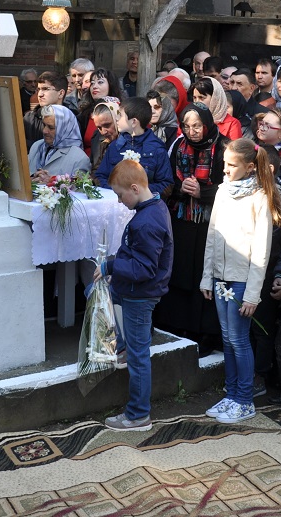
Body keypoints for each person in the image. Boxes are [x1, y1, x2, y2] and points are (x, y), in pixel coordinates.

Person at [201, 138, 281, 424]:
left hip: (241, 282)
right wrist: (207, 276)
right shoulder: (223, 192)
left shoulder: (260, 198)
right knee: (227, 339)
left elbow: (260, 251)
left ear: (250, 167)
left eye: (231, 165)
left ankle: (244, 399)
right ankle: (232, 394)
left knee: (239, 339)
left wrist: (252, 294)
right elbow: (213, 236)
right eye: (224, 164)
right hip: (220, 279)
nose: (224, 170)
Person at [99, 160, 174, 431]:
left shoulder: (146, 221)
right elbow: (136, 256)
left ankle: (138, 415)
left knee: (138, 355)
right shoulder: (152, 208)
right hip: (134, 292)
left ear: (134, 188)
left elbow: (143, 268)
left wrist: (110, 265)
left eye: (120, 195)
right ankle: (123, 344)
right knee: (97, 296)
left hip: (140, 295)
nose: (120, 202)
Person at [157, 104, 224, 345]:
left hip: (210, 222)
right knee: (180, 270)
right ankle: (176, 325)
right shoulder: (178, 145)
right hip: (181, 218)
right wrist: (181, 189)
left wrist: (202, 192)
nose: (191, 131)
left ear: (206, 124)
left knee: (201, 276)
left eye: (196, 125)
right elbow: (167, 180)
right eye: (186, 126)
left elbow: (229, 186)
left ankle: (202, 331)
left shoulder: (223, 147)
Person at [94, 97, 174, 197]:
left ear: (134, 122)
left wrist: (139, 191)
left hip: (145, 207)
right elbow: (100, 176)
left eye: (121, 115)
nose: (117, 119)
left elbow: (166, 185)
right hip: (115, 205)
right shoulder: (115, 146)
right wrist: (116, 191)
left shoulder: (157, 149)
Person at [29, 105, 91, 181]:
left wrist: (51, 180)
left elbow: (80, 189)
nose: (44, 131)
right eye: (44, 125)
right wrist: (32, 177)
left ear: (65, 129)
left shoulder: (79, 158)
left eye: (51, 127)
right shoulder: (36, 146)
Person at [191, 76, 242, 141]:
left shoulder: (232, 124)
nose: (197, 102)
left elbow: (235, 149)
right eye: (194, 98)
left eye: (201, 97)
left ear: (215, 99)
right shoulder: (189, 120)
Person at [25, 71, 68, 148]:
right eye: (38, 89)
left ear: (61, 93)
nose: (40, 94)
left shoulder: (73, 119)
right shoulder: (29, 118)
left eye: (45, 89)